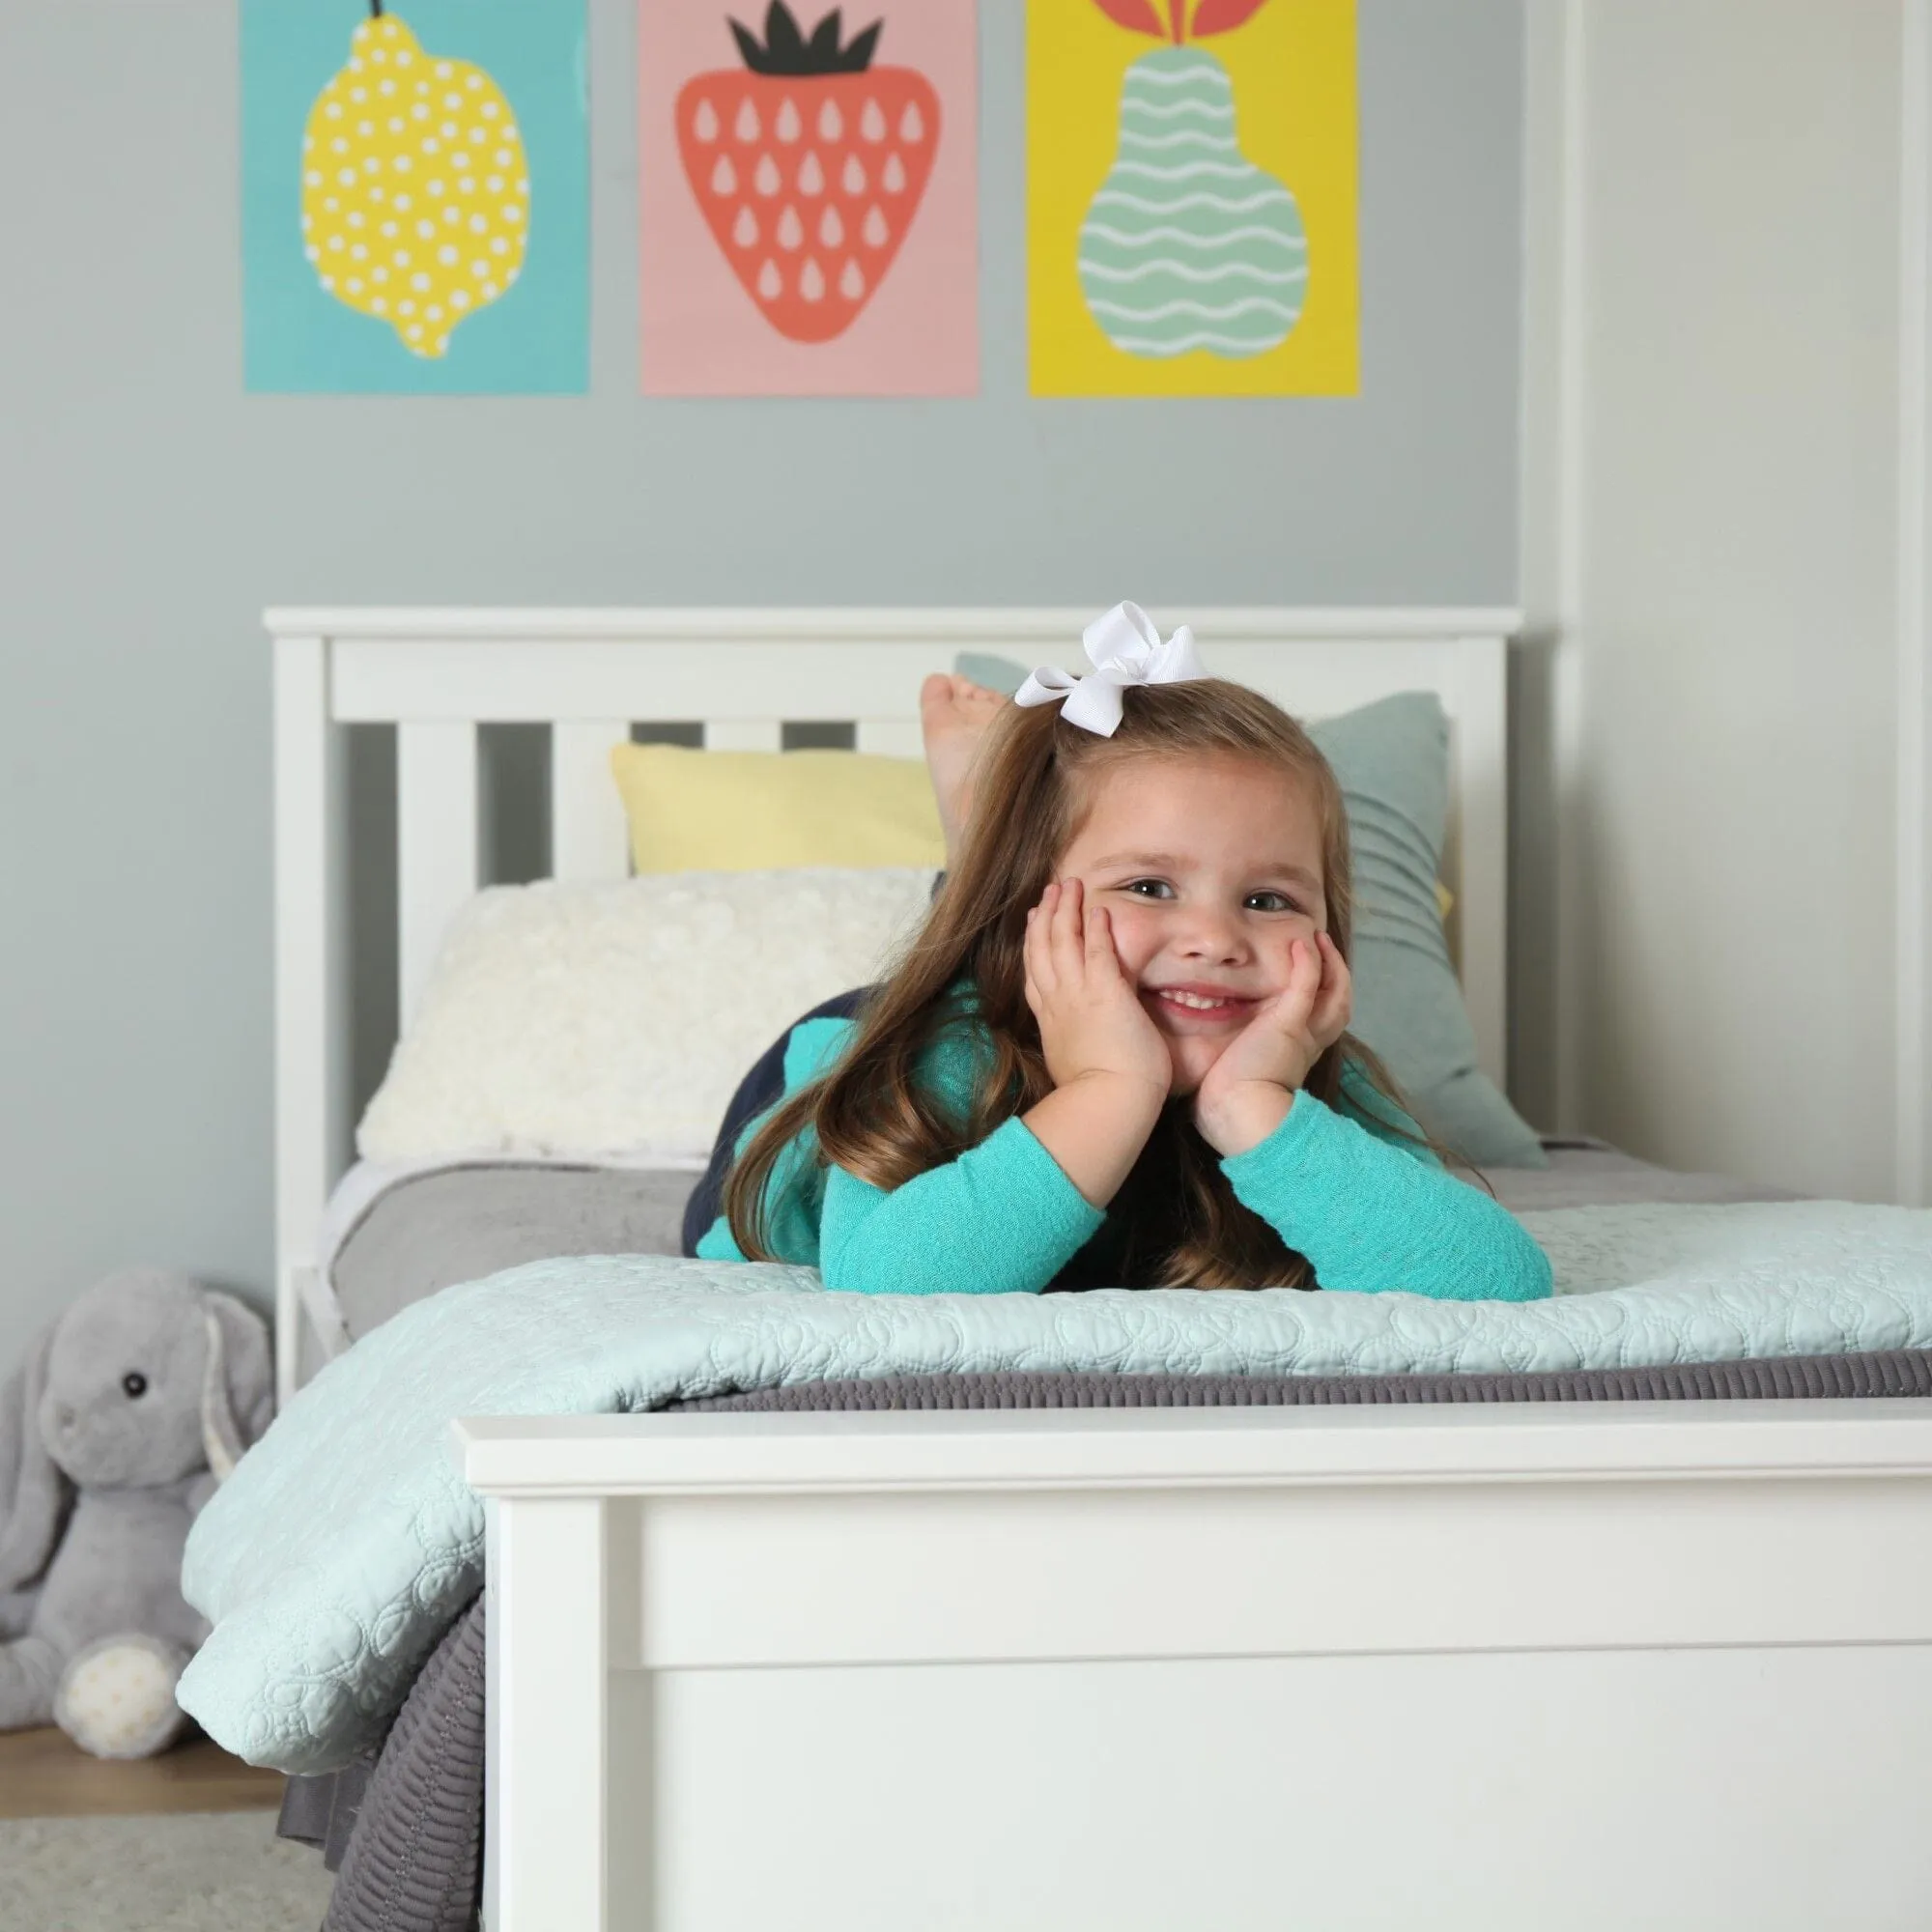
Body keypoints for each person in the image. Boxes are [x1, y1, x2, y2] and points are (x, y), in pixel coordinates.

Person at [687, 605, 1552, 1300]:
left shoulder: (1315, 1081)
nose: (1216, 940)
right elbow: (890, 1288)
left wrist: (1257, 1107)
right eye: (1149, 886)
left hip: (1059, 961)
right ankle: (981, 861)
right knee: (957, 966)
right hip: (836, 1057)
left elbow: (1499, 1284)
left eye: (1267, 900)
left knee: (1018, 928)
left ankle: (993, 839)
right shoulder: (941, 1064)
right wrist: (1110, 1090)